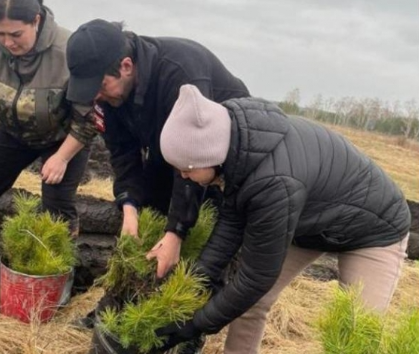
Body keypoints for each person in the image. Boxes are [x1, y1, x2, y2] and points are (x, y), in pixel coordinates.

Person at [153, 84, 411, 353]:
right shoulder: (239, 149)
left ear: (210, 156)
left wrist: (194, 325)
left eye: (186, 169)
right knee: (250, 306)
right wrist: (193, 282)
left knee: (355, 335)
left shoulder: (273, 181)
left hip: (373, 230)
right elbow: (231, 223)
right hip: (308, 220)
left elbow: (255, 278)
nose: (183, 177)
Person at [65, 19, 250, 279]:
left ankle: (202, 295)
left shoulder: (180, 74)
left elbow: (195, 157)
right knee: (151, 206)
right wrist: (129, 206)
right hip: (171, 150)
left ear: (126, 66)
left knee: (209, 233)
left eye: (100, 87)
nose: (95, 96)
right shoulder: (110, 95)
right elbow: (122, 151)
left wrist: (175, 232)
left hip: (224, 158)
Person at [0, 0, 98, 241]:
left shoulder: (69, 52)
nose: (7, 42)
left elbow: (89, 117)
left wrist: (62, 158)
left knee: (57, 205)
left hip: (65, 136)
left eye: (16, 34)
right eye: (0, 33)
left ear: (36, 20)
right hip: (14, 132)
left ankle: (58, 271)